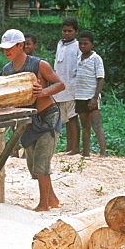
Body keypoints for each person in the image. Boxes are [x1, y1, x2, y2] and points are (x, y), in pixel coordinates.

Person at [0, 28, 66, 211]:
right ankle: (52, 198)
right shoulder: (7, 70)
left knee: (42, 163)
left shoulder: (39, 64)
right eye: (4, 49)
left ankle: (43, 205)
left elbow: (60, 84)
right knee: (33, 165)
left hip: (47, 117)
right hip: (26, 120)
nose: (6, 52)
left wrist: (43, 92)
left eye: (9, 48)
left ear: (20, 46)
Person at [73, 29, 107, 157]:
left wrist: (95, 97)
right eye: (80, 43)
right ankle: (85, 152)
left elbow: (100, 78)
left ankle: (103, 152)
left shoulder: (96, 59)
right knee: (85, 126)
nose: (82, 46)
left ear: (92, 44)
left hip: (91, 97)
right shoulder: (78, 59)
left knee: (96, 125)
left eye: (85, 43)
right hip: (80, 96)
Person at [53, 17, 81, 154]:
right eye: (64, 31)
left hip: (72, 89)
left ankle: (75, 148)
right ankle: (68, 148)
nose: (66, 33)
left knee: (73, 118)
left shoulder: (77, 46)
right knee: (64, 119)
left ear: (76, 32)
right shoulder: (60, 44)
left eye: (70, 31)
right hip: (60, 90)